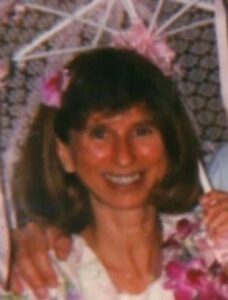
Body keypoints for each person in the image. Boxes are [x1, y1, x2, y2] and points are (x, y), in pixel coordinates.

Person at [6, 47, 228, 299]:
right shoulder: (42, 280)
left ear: (169, 141)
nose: (124, 156)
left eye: (142, 131)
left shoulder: (214, 250)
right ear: (65, 153)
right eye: (100, 134)